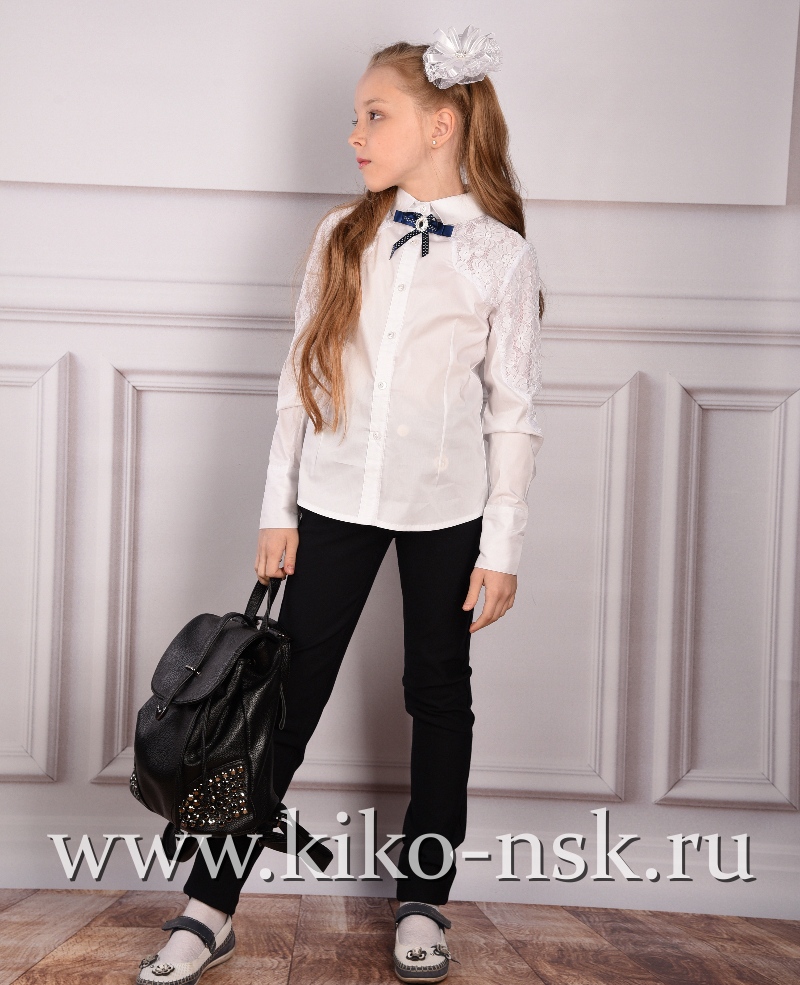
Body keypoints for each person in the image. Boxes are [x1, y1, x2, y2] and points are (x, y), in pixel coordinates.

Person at [135, 24, 544, 985]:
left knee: (438, 694)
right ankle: (209, 907)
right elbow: (301, 381)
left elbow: (513, 411)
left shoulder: (500, 256)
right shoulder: (341, 235)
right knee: (279, 702)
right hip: (331, 498)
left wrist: (503, 544)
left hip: (448, 509)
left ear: (441, 125)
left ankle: (423, 899)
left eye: (374, 115)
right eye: (354, 117)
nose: (355, 135)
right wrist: (277, 508)